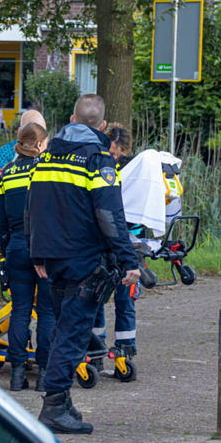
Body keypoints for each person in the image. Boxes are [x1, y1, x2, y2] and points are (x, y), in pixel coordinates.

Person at [27, 95, 140, 434]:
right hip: (84, 258)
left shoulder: (46, 156)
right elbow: (109, 214)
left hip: (52, 258)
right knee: (72, 335)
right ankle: (54, 407)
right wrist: (127, 257)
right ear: (102, 126)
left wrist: (37, 253)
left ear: (73, 117)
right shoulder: (99, 159)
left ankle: (63, 404)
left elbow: (33, 206)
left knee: (64, 327)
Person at [0, 122, 55, 392]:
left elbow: (1, 222)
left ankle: (17, 374)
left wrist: (6, 254)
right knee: (46, 312)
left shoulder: (6, 173)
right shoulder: (48, 171)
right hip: (45, 249)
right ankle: (44, 375)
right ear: (41, 145)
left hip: (17, 248)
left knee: (20, 311)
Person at [92, 122, 141, 365]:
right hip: (103, 245)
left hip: (126, 243)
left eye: (119, 156)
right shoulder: (97, 165)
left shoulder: (131, 171)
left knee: (125, 299)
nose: (115, 159)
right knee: (97, 298)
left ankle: (126, 349)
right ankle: (97, 350)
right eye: (112, 155)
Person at [0, 109, 46, 190]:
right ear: (20, 131)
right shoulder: (9, 149)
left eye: (40, 131)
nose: (36, 135)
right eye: (31, 131)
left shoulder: (54, 149)